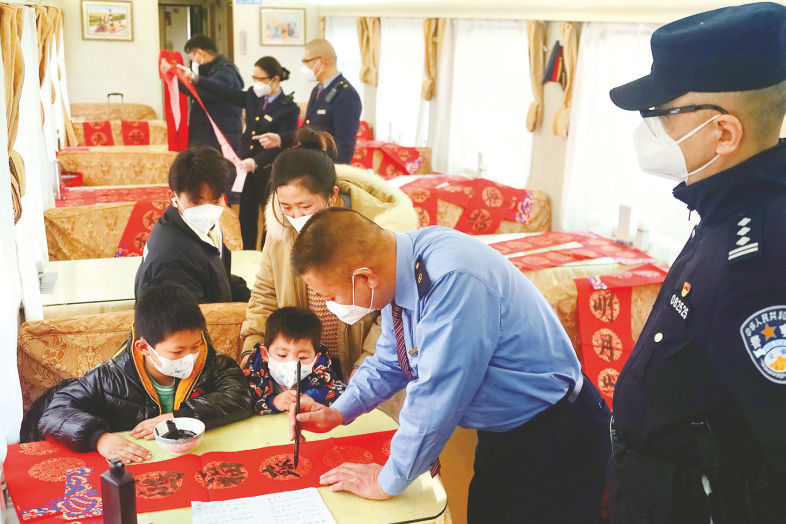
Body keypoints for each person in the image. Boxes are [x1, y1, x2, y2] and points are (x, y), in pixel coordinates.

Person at [287, 208, 612, 523]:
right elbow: (392, 359)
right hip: (503, 433)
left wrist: (386, 480)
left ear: (364, 278)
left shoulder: (451, 279)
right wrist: (338, 410)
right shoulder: (396, 270)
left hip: (554, 435)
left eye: (331, 296)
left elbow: (436, 395)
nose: (330, 305)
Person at [606, 3, 786, 523]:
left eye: (662, 114)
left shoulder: (760, 263)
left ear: (724, 133)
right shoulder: (724, 208)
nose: (649, 129)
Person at [240, 128, 417, 385]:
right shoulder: (281, 229)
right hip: (302, 363)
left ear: (332, 195)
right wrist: (254, 345)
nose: (295, 216)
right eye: (286, 206)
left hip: (362, 360)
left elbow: (393, 306)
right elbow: (265, 293)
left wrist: (368, 362)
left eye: (305, 206)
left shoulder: (374, 231)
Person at [35, 284, 254, 462]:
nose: (190, 357)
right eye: (178, 351)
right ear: (144, 348)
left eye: (196, 345)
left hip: (197, 456)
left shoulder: (211, 363)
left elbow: (242, 396)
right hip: (140, 462)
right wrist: (98, 438)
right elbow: (54, 415)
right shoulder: (110, 378)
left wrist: (180, 416)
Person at [180, 56, 300, 250]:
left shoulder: (289, 109)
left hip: (269, 170)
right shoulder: (253, 96)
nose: (256, 83)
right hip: (246, 167)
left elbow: (283, 143)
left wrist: (256, 162)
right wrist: (197, 79)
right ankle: (248, 253)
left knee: (271, 218)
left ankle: (267, 256)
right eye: (254, 78)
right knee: (246, 216)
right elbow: (226, 92)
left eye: (261, 79)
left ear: (275, 80)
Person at [135, 146, 250, 304]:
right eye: (196, 202)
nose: (208, 210)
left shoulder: (202, 228)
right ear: (173, 198)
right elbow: (193, 316)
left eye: (215, 200)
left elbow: (216, 276)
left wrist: (251, 298)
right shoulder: (172, 261)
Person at [160, 34, 244, 204]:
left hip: (218, 136)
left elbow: (202, 93)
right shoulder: (215, 71)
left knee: (222, 182)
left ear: (200, 53)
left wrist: (173, 75)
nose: (194, 62)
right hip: (209, 135)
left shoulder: (225, 72)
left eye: (193, 58)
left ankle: (228, 216)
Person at [255, 39, 361, 164]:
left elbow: (345, 146)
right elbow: (308, 131)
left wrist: (334, 172)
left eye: (306, 62)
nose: (305, 67)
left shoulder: (346, 94)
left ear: (321, 62)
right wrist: (280, 139)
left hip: (327, 167)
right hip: (312, 163)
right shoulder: (318, 90)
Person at [244, 307, 345, 416]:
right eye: (282, 355)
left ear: (316, 358)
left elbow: (342, 391)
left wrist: (312, 397)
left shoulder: (321, 366)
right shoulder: (256, 369)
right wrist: (273, 402)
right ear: (265, 353)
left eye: (302, 357)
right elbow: (243, 402)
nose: (292, 362)